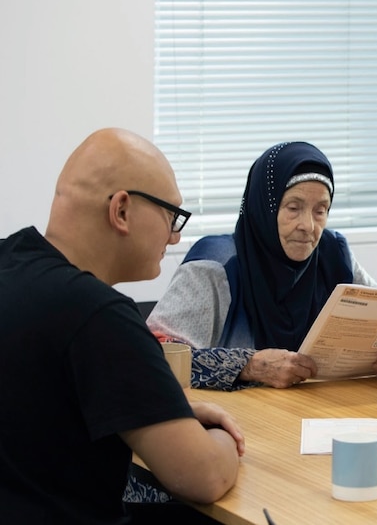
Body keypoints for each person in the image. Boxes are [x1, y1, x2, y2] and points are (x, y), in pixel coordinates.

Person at [0, 128, 244, 523]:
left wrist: (160, 411)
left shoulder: (9, 261)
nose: (176, 236)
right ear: (122, 210)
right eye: (171, 215)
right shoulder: (98, 314)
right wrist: (221, 440)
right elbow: (205, 476)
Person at [146, 141, 377, 391]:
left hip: (321, 414)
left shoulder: (332, 254)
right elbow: (151, 356)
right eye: (293, 208)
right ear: (264, 208)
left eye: (321, 211)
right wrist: (248, 365)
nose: (308, 226)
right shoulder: (216, 264)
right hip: (242, 426)